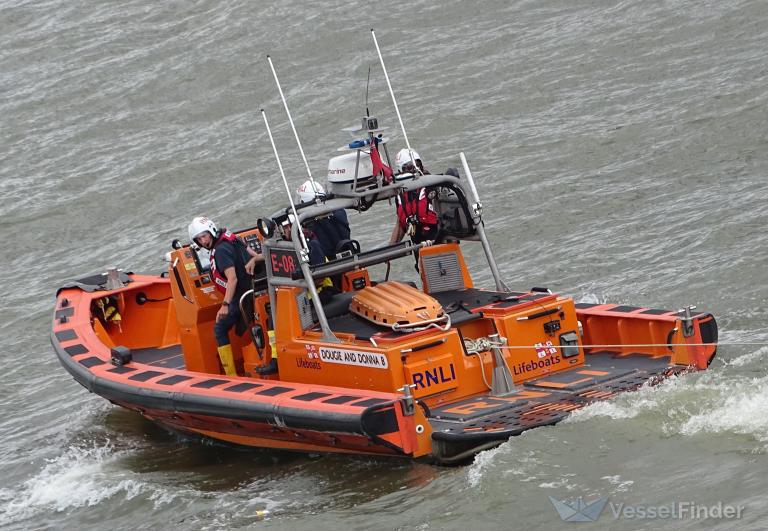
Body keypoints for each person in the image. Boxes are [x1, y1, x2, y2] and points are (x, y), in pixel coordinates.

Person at [188, 216, 262, 376]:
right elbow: (256, 255)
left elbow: (232, 279)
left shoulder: (220, 251)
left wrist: (225, 305)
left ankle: (231, 375)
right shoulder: (233, 238)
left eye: (204, 236)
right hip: (255, 290)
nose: (203, 241)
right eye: (199, 239)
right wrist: (253, 261)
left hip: (242, 296)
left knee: (220, 328)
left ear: (212, 231)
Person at [281, 214, 338, 304]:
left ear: (290, 227)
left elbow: (321, 275)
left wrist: (301, 288)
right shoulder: (292, 246)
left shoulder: (310, 244)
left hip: (320, 291)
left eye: (285, 228)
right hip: (303, 294)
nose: (284, 232)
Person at [389, 148, 440, 245]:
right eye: (410, 167)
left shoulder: (430, 186)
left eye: (418, 165)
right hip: (418, 245)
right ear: (400, 171)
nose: (415, 169)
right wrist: (389, 250)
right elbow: (400, 224)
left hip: (436, 242)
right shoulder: (401, 195)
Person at [296, 180, 351, 260]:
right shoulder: (339, 212)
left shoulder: (309, 226)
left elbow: (306, 257)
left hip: (326, 265)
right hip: (348, 255)